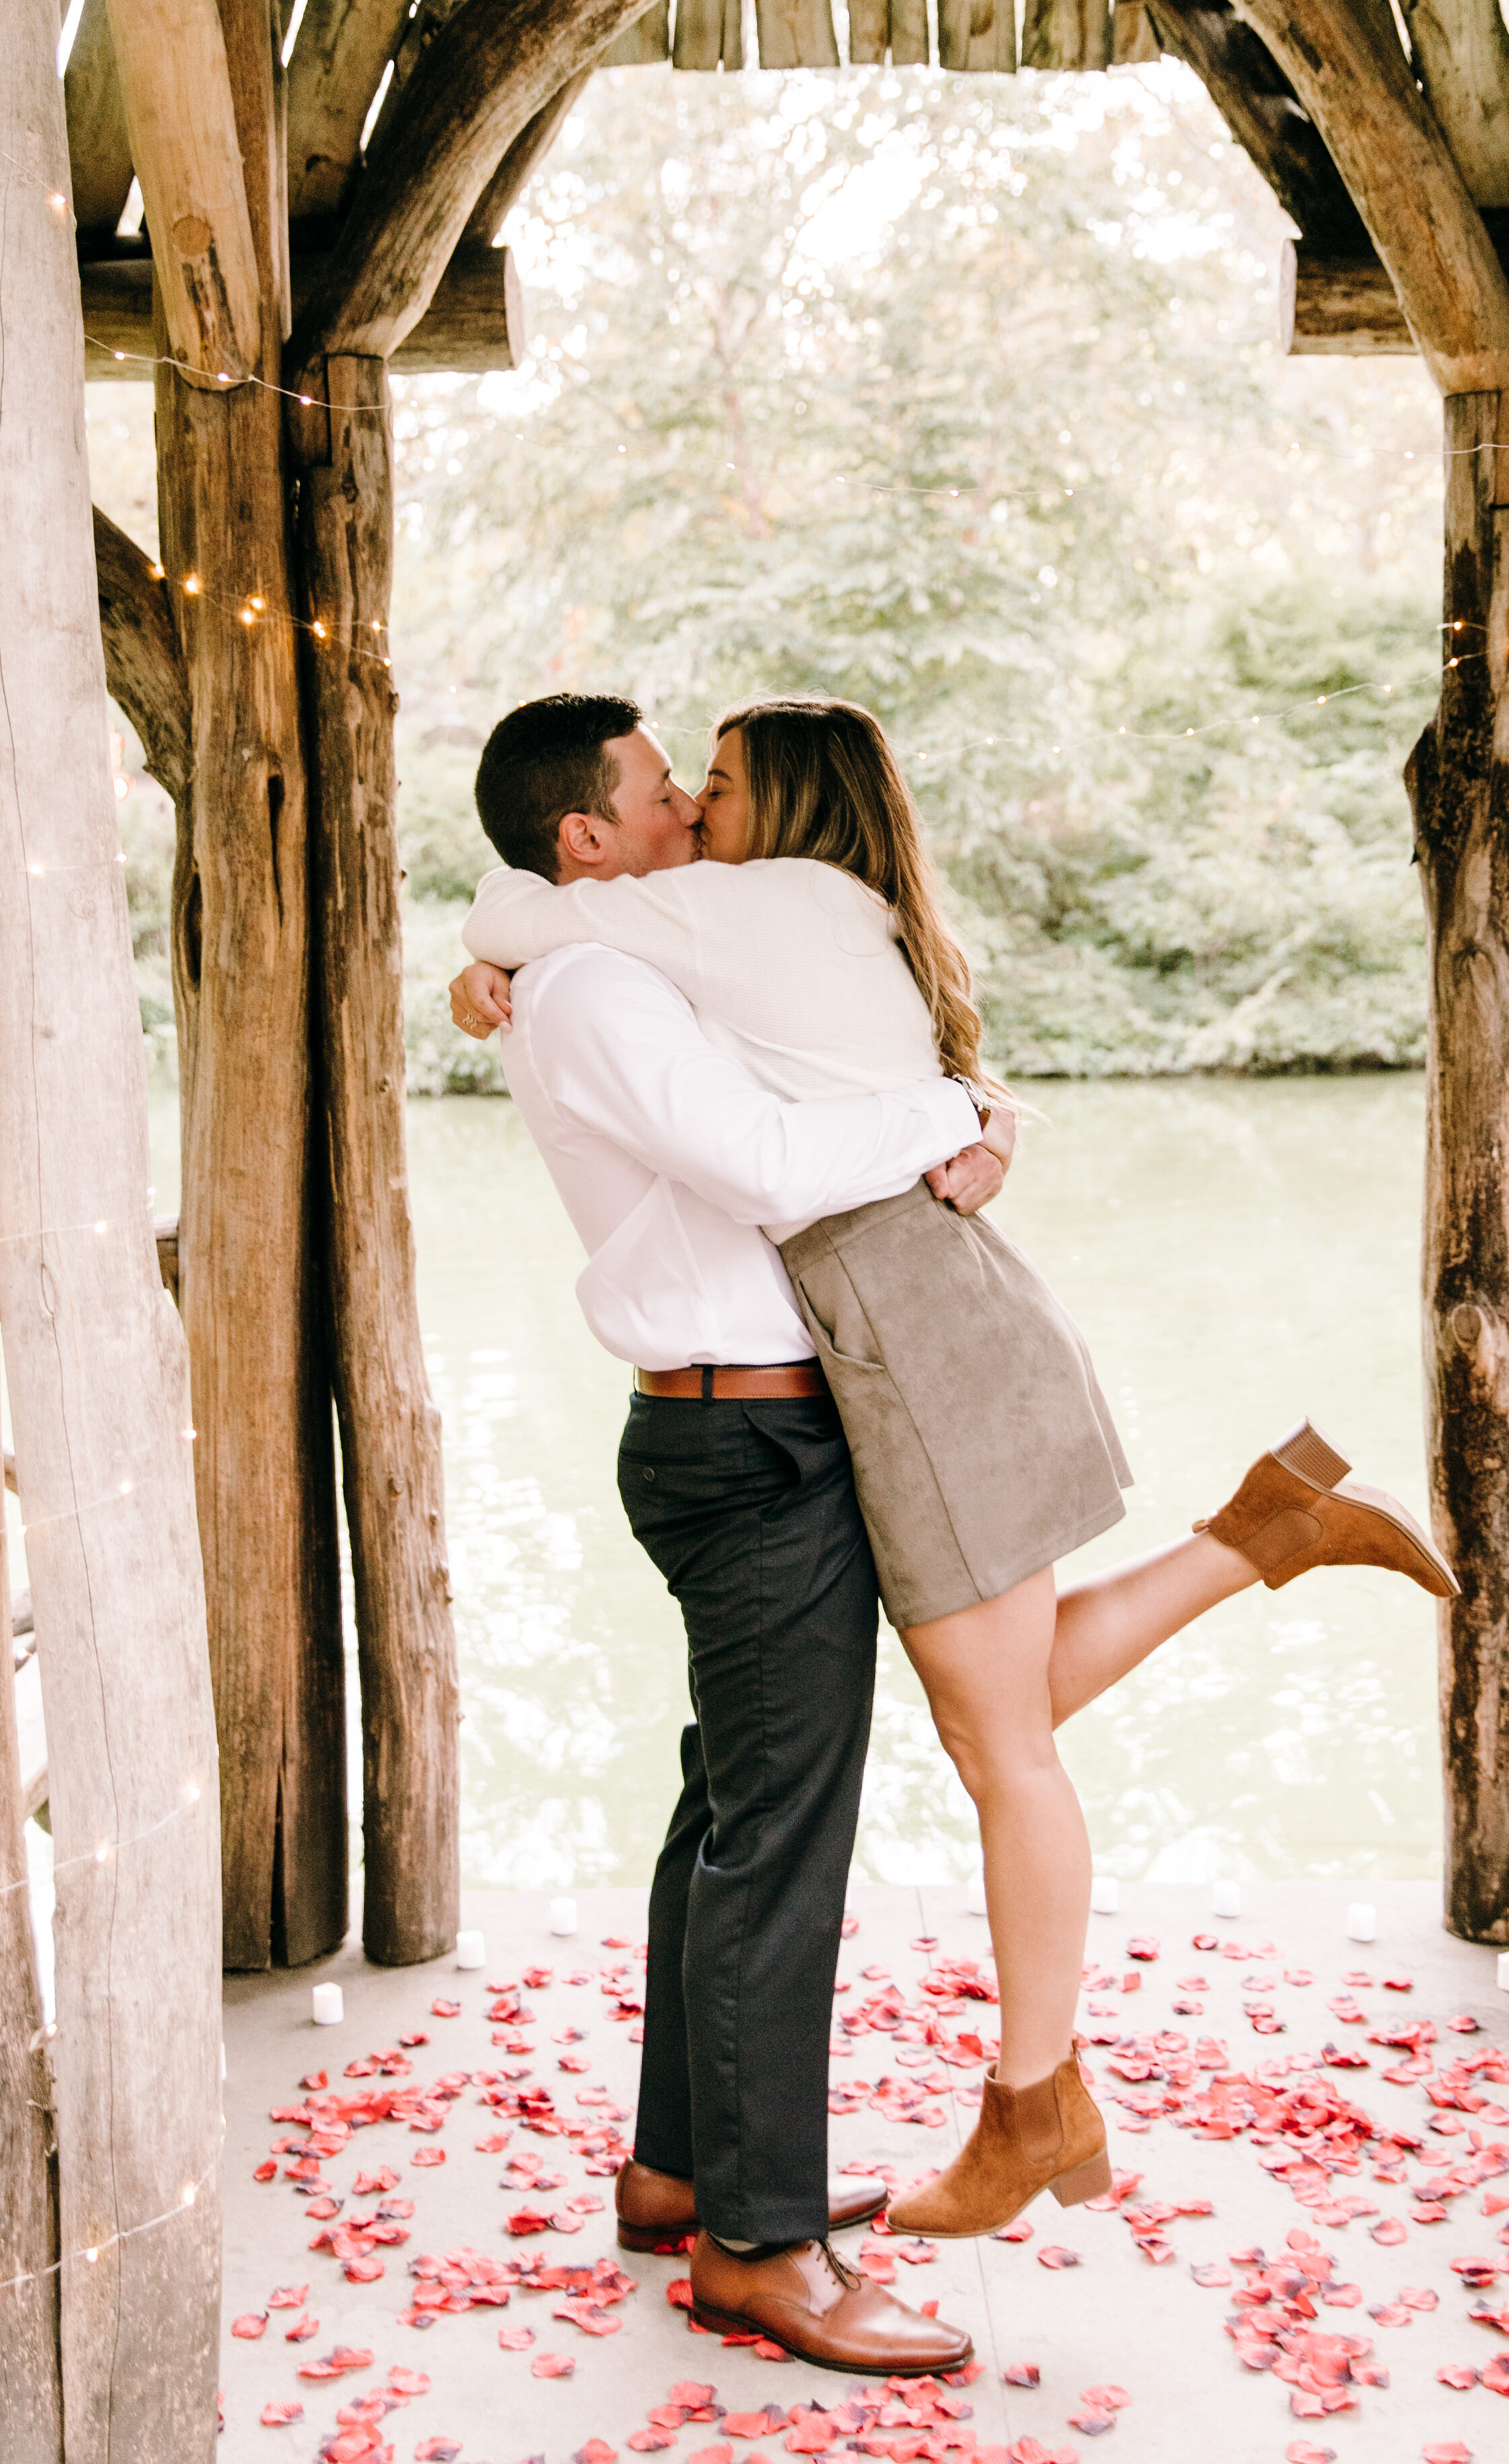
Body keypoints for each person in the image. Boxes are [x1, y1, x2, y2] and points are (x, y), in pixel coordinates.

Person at [451, 694, 1457, 2250]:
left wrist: (504, 951)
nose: (691, 814)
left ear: (776, 811)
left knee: (1003, 1742)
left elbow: (547, 924)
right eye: (672, 789)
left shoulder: (759, 911)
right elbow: (648, 1030)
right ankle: (1267, 1531)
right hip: (915, 1339)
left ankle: (1030, 2103)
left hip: (919, 1350)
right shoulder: (725, 944)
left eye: (708, 787)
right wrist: (508, 974)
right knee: (1001, 1709)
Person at [459, 693, 985, 2375]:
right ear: (583, 841)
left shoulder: (621, 964)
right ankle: (762, 2247)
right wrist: (947, 1120)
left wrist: (968, 1111)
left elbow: (796, 1054)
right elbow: (765, 1160)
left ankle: (680, 2167)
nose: (688, 801)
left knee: (723, 1813)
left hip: (735, 1422)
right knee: (780, 1841)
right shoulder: (605, 984)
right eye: (651, 785)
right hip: (745, 1433)